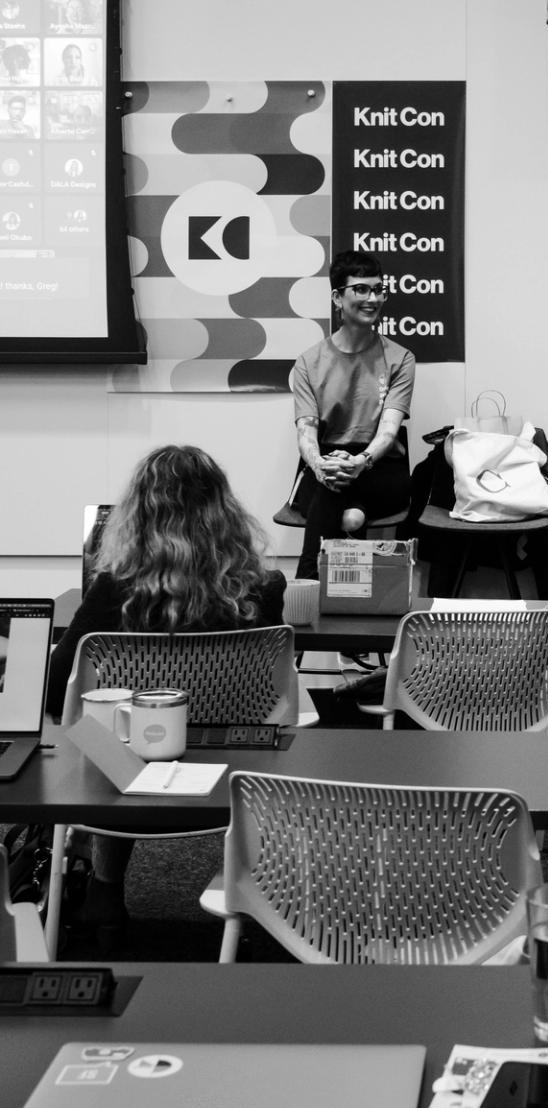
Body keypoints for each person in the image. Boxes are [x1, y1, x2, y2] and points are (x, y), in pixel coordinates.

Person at [46, 445, 286, 949]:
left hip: (132, 767)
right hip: (236, 764)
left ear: (138, 513)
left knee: (105, 729)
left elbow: (56, 689)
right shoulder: (264, 587)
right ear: (225, 510)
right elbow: (272, 687)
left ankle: (105, 890)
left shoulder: (116, 588)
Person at [288, 249, 415, 579]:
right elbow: (306, 432)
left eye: (378, 289)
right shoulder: (309, 362)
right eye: (361, 289)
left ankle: (306, 582)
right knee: (350, 516)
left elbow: (388, 432)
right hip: (325, 464)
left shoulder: (401, 359)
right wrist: (319, 465)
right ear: (337, 297)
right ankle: (348, 599)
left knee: (337, 495)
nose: (372, 298)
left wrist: (360, 462)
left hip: (380, 465)